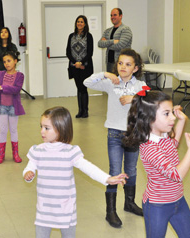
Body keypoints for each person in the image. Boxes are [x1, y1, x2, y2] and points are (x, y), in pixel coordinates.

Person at [23, 106, 128, 238]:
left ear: (61, 128)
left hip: (65, 206)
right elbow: (29, 167)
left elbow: (88, 168)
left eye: (46, 128)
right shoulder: (37, 150)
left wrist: (107, 179)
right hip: (44, 207)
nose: (42, 131)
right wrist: (28, 174)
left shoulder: (70, 152)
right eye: (41, 127)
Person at [123, 91, 190, 238]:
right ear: (149, 118)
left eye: (172, 112)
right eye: (166, 113)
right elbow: (176, 175)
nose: (172, 117)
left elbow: (173, 145)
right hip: (158, 207)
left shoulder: (163, 136)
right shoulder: (149, 147)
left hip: (178, 201)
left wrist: (182, 121)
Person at [84, 48, 146, 228]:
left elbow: (153, 101)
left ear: (135, 68)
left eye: (128, 64)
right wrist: (105, 74)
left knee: (131, 170)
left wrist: (133, 99)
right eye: (120, 63)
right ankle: (110, 211)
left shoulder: (140, 86)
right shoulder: (111, 83)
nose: (123, 67)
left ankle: (129, 203)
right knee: (115, 171)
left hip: (133, 134)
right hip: (114, 134)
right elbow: (87, 81)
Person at [66, 15, 93, 118]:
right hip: (74, 66)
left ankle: (85, 111)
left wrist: (81, 62)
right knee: (78, 87)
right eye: (78, 22)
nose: (79, 23)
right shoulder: (71, 36)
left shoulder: (89, 36)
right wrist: (75, 62)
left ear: (85, 24)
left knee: (83, 88)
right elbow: (68, 52)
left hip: (85, 66)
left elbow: (90, 53)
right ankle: (80, 111)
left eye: (82, 22)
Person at [0, 27, 18, 118]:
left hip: (10, 72)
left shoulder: (13, 46)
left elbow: (15, 58)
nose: (3, 33)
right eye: (1, 32)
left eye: (5, 32)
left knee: (9, 90)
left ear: (8, 34)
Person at [98, 8, 132, 73]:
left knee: (120, 82)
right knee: (111, 82)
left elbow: (120, 46)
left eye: (115, 15)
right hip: (109, 63)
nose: (112, 17)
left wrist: (106, 43)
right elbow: (100, 44)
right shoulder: (107, 31)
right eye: (111, 15)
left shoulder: (126, 29)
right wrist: (112, 41)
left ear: (121, 16)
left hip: (122, 63)